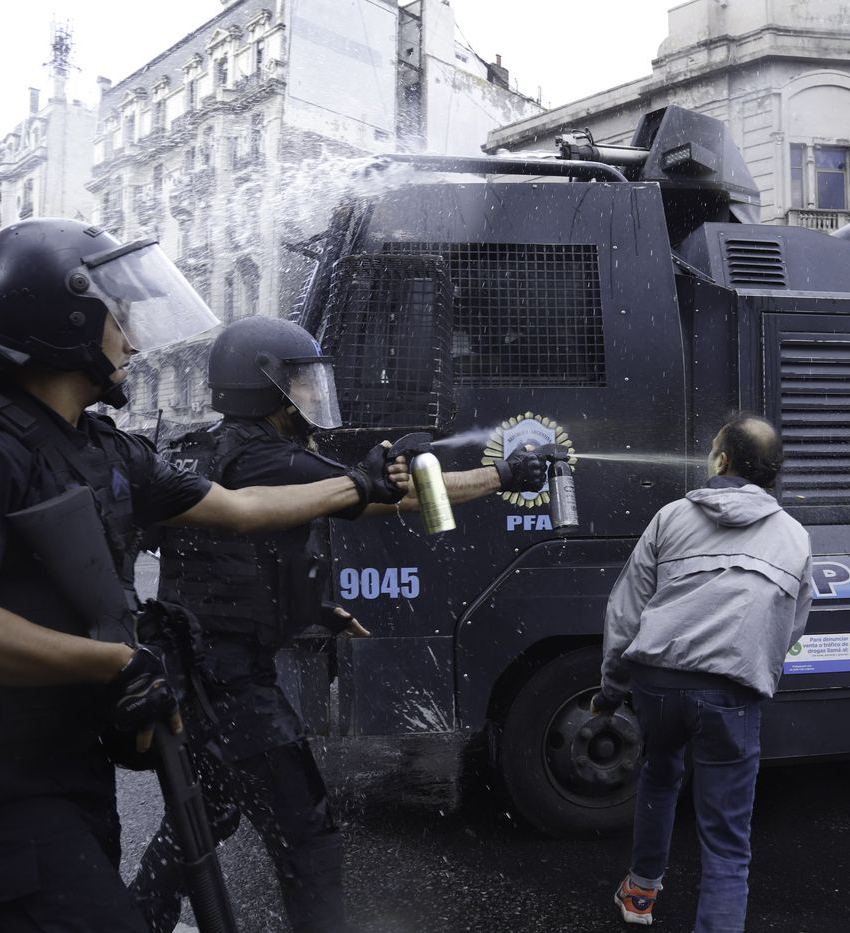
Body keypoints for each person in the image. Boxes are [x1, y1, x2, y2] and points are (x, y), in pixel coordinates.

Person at [0, 218, 411, 933]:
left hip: (61, 762)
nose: (128, 338)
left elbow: (241, 508)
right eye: (115, 317)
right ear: (68, 320)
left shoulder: (105, 449)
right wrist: (115, 663)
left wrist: (359, 488)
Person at [128, 315, 549, 933]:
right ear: (263, 386)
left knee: (210, 810)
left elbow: (225, 563)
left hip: (196, 669)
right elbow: (397, 499)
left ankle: (141, 913)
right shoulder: (265, 458)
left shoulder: (210, 449)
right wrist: (507, 474)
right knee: (310, 834)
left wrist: (313, 610)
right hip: (230, 680)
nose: (310, 395)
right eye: (299, 382)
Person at [592, 414, 814, 932]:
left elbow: (625, 611)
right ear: (774, 472)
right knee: (726, 843)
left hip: (658, 686)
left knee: (660, 777)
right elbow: (792, 624)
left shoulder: (670, 517)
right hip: (731, 696)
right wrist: (756, 673)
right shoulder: (795, 536)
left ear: (722, 461)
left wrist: (611, 687)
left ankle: (641, 894)